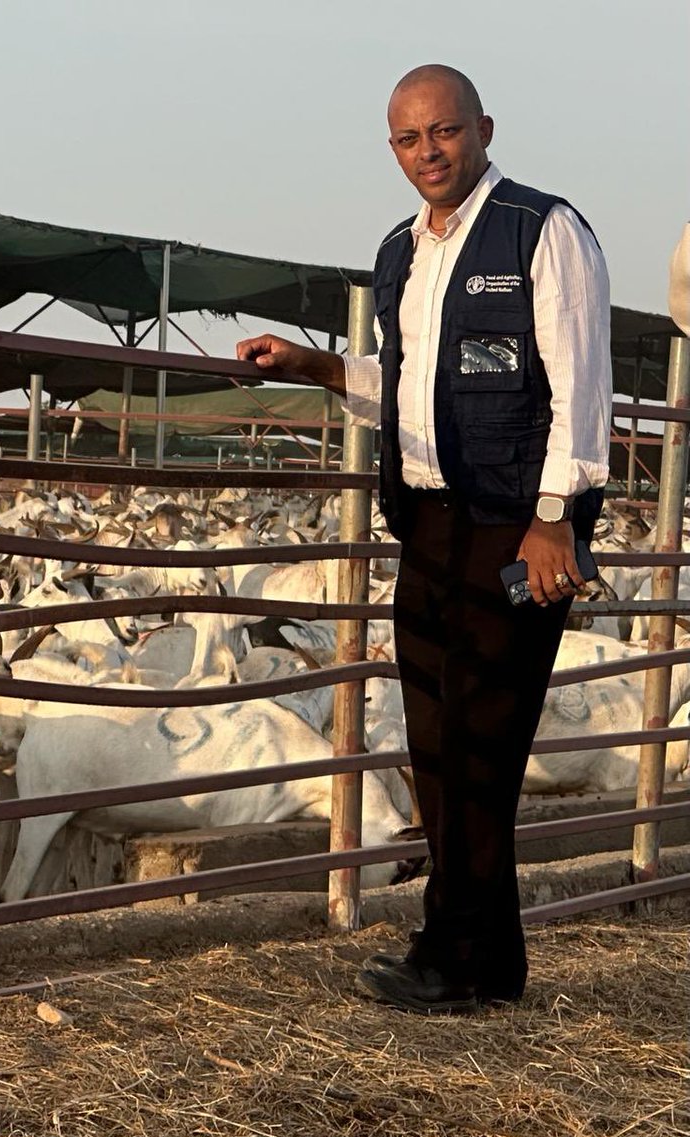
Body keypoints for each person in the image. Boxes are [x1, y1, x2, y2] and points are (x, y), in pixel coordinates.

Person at [236, 64, 611, 1015]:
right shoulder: (401, 253)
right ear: (393, 150)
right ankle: (488, 960)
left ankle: (451, 953)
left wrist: (554, 520)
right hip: (430, 522)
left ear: (483, 128)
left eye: (444, 132)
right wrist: (315, 364)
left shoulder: (542, 229)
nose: (428, 153)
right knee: (442, 743)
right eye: (408, 140)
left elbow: (581, 388)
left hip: (515, 525)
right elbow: (400, 385)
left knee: (483, 741)